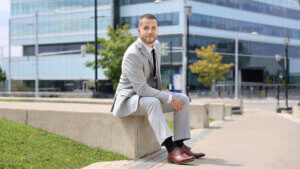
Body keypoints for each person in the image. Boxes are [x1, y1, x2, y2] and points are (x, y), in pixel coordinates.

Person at [111, 14, 205, 164]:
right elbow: (141, 89)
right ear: (139, 31)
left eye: (153, 28)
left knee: (183, 99)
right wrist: (165, 97)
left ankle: (180, 145)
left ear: (157, 30)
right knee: (153, 102)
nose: (150, 32)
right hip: (129, 99)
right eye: (146, 28)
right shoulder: (132, 54)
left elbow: (156, 74)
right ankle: (171, 150)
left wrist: (161, 91)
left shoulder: (157, 45)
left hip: (147, 94)